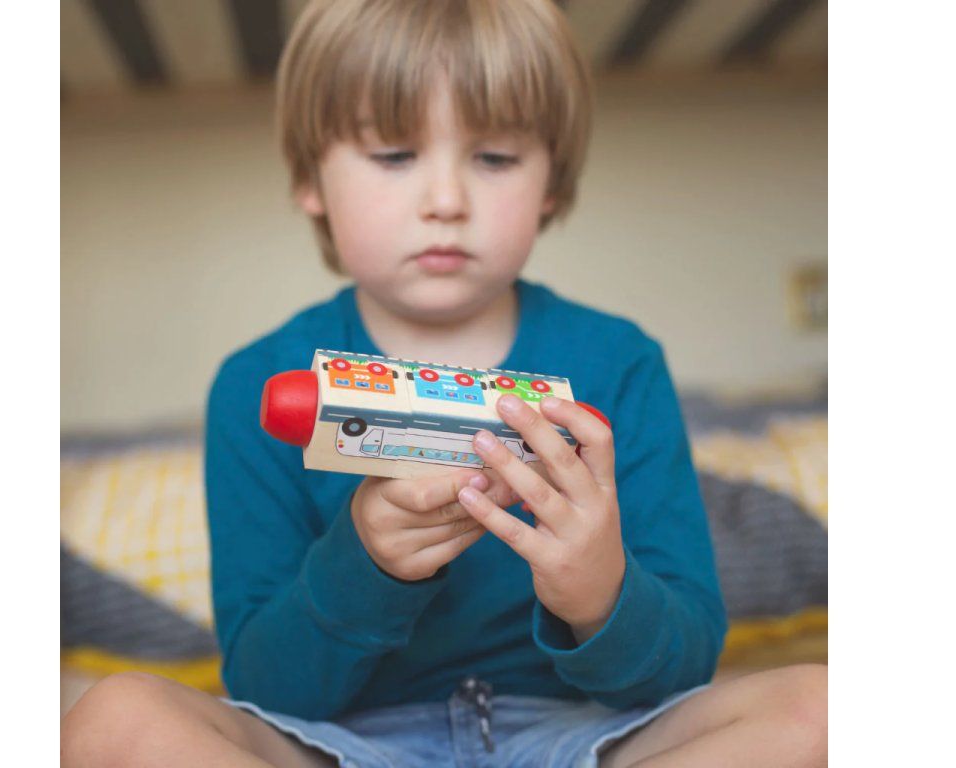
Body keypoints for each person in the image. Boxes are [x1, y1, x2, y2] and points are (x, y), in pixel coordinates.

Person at [60, 1, 827, 766]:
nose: (447, 202)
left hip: (580, 734)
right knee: (115, 721)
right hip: (347, 744)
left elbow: (683, 672)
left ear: (552, 181)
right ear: (310, 179)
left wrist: (602, 594)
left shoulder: (622, 362)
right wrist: (364, 564)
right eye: (394, 154)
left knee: (826, 711)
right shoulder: (255, 384)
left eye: (494, 158)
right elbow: (263, 687)